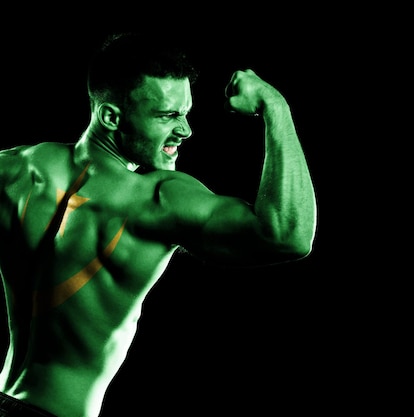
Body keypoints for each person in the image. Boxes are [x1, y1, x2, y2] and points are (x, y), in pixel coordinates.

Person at [0, 32, 317, 417]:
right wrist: (275, 107)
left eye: (184, 113)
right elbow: (288, 235)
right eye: (167, 116)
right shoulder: (155, 199)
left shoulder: (15, 168)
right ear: (111, 117)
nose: (185, 130)